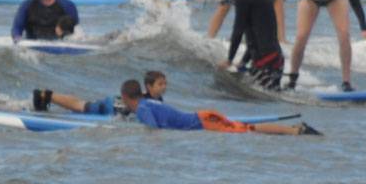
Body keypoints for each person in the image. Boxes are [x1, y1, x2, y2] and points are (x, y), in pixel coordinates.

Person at [130, 79, 319, 136]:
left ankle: (296, 131)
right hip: (202, 117)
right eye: (160, 84)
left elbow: (153, 129)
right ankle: (296, 130)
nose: (164, 87)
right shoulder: (150, 103)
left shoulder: (143, 107)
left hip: (204, 122)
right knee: (246, 127)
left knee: (247, 129)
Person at [224, 0, 286, 87]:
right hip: (276, 58)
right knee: (271, 96)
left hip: (265, 62)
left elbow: (238, 31)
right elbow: (259, 33)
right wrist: (243, 61)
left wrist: (229, 60)